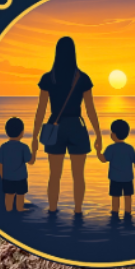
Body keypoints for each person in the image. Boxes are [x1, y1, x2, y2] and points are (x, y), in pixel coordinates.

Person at [30, 35, 102, 216]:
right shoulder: (82, 78)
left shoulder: (48, 78)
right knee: (78, 175)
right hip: (76, 127)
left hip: (55, 127)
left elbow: (41, 110)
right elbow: (90, 110)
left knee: (54, 175)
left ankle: (53, 211)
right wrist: (99, 135)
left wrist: (34, 137)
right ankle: (78, 212)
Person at [0, 116, 32, 212]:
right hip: (21, 178)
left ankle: (8, 209)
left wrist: (1, 177)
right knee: (20, 195)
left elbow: (0, 164)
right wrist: (34, 152)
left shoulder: (3, 147)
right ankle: (20, 208)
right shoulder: (24, 147)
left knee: (8, 195)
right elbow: (30, 161)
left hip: (7, 178)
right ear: (22, 133)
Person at [101, 119, 135, 219]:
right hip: (128, 178)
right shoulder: (130, 148)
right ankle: (128, 213)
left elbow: (104, 159)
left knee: (115, 196)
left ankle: (115, 212)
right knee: (128, 196)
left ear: (114, 134)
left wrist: (98, 151)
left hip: (115, 178)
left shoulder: (111, 148)